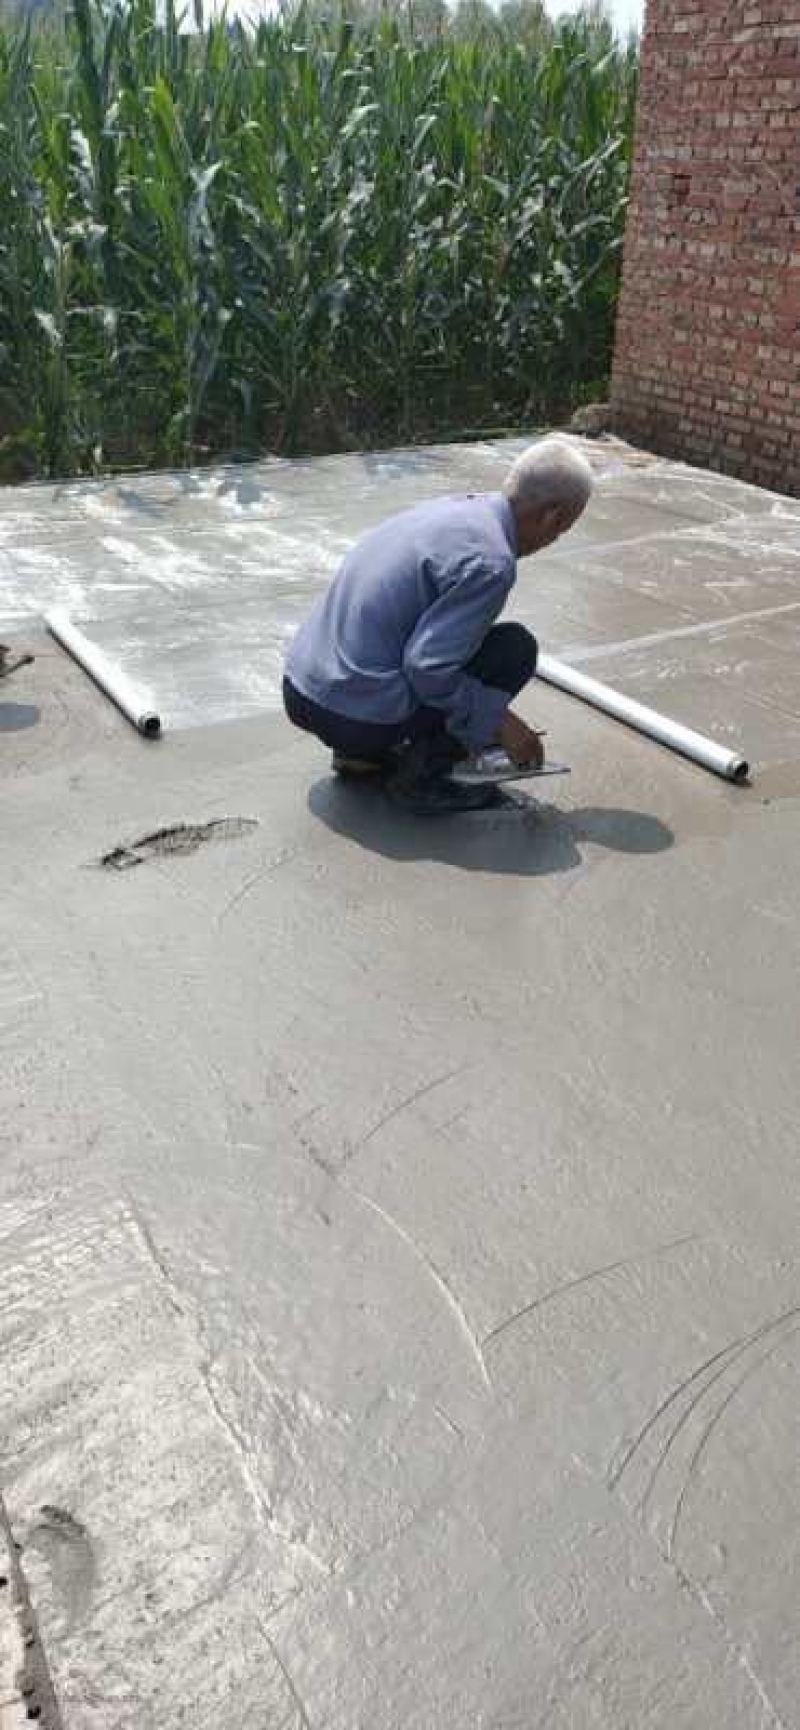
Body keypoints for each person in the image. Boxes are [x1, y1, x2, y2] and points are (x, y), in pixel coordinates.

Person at [283, 439, 593, 812]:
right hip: (351, 716)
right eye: (562, 530)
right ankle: (425, 779)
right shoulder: (491, 563)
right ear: (552, 516)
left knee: (435, 645)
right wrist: (501, 721)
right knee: (513, 650)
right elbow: (427, 668)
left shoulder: (453, 511)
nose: (552, 540)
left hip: (302, 691)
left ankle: (360, 755)